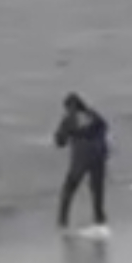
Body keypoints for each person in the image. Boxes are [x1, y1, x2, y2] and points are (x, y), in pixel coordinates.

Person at [54, 92, 109, 229]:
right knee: (97, 189)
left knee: (69, 189)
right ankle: (99, 219)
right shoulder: (93, 115)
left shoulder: (69, 119)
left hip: (80, 159)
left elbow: (60, 141)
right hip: (98, 156)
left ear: (68, 107)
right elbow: (104, 127)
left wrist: (67, 137)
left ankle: (62, 221)